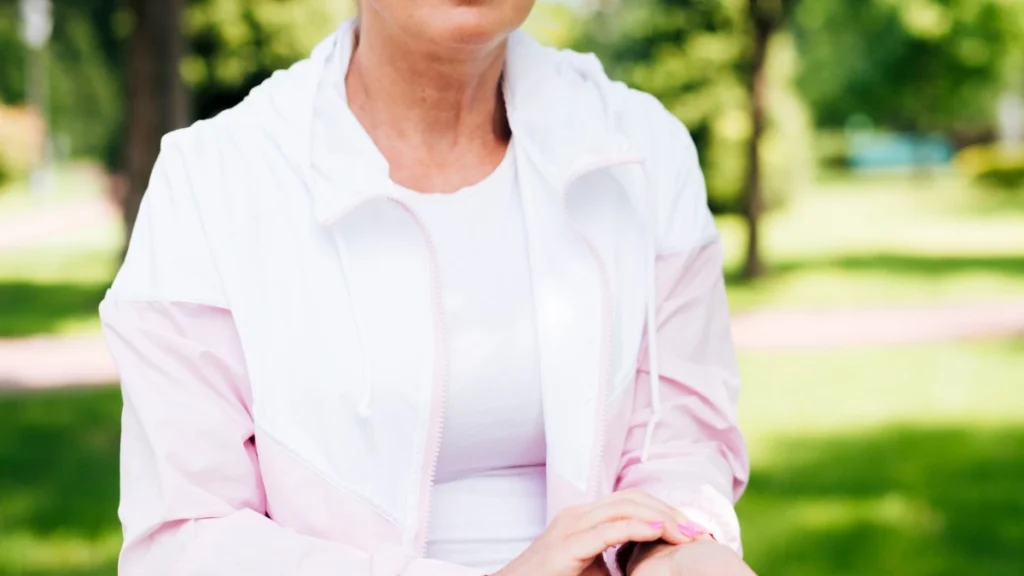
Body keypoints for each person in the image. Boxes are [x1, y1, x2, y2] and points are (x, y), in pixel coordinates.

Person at [100, 1, 753, 575]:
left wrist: (671, 554)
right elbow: (186, 543)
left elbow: (681, 443)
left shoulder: (642, 151)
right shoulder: (210, 182)